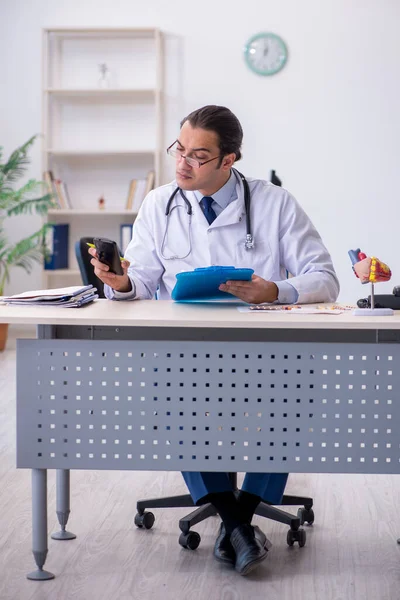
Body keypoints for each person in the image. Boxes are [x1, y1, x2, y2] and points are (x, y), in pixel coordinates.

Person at [89, 105, 340, 575]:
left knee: (291, 393)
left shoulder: (274, 203)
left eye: (198, 156)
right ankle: (239, 524)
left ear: (230, 160)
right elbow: (140, 280)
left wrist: (277, 290)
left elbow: (324, 278)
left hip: (262, 349)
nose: (182, 164)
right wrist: (119, 281)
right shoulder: (158, 204)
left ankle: (233, 520)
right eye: (179, 150)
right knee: (175, 395)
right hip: (182, 350)